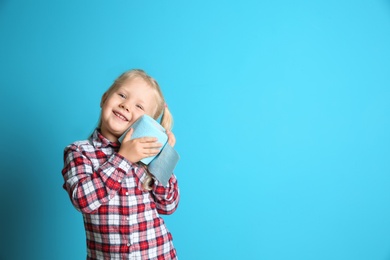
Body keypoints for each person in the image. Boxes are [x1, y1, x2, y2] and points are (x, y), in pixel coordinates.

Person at [61, 69, 180, 260]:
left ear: (148, 123)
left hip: (158, 254)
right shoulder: (79, 152)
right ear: (104, 99)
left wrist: (163, 158)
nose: (126, 105)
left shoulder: (147, 158)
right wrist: (123, 158)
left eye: (139, 106)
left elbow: (169, 205)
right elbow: (83, 200)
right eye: (122, 95)